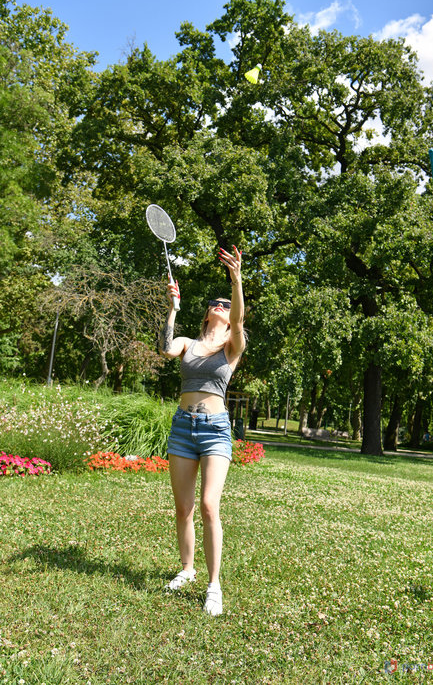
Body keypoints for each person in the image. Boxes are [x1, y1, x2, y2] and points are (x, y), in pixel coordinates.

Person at [159, 245, 245, 616]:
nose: (220, 306)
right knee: (183, 508)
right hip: (182, 428)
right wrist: (172, 309)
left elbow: (240, 322)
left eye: (225, 305)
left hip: (214, 429)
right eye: (215, 303)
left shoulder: (232, 347)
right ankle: (187, 570)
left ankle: (214, 585)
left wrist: (236, 279)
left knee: (210, 506)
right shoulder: (190, 345)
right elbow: (165, 348)